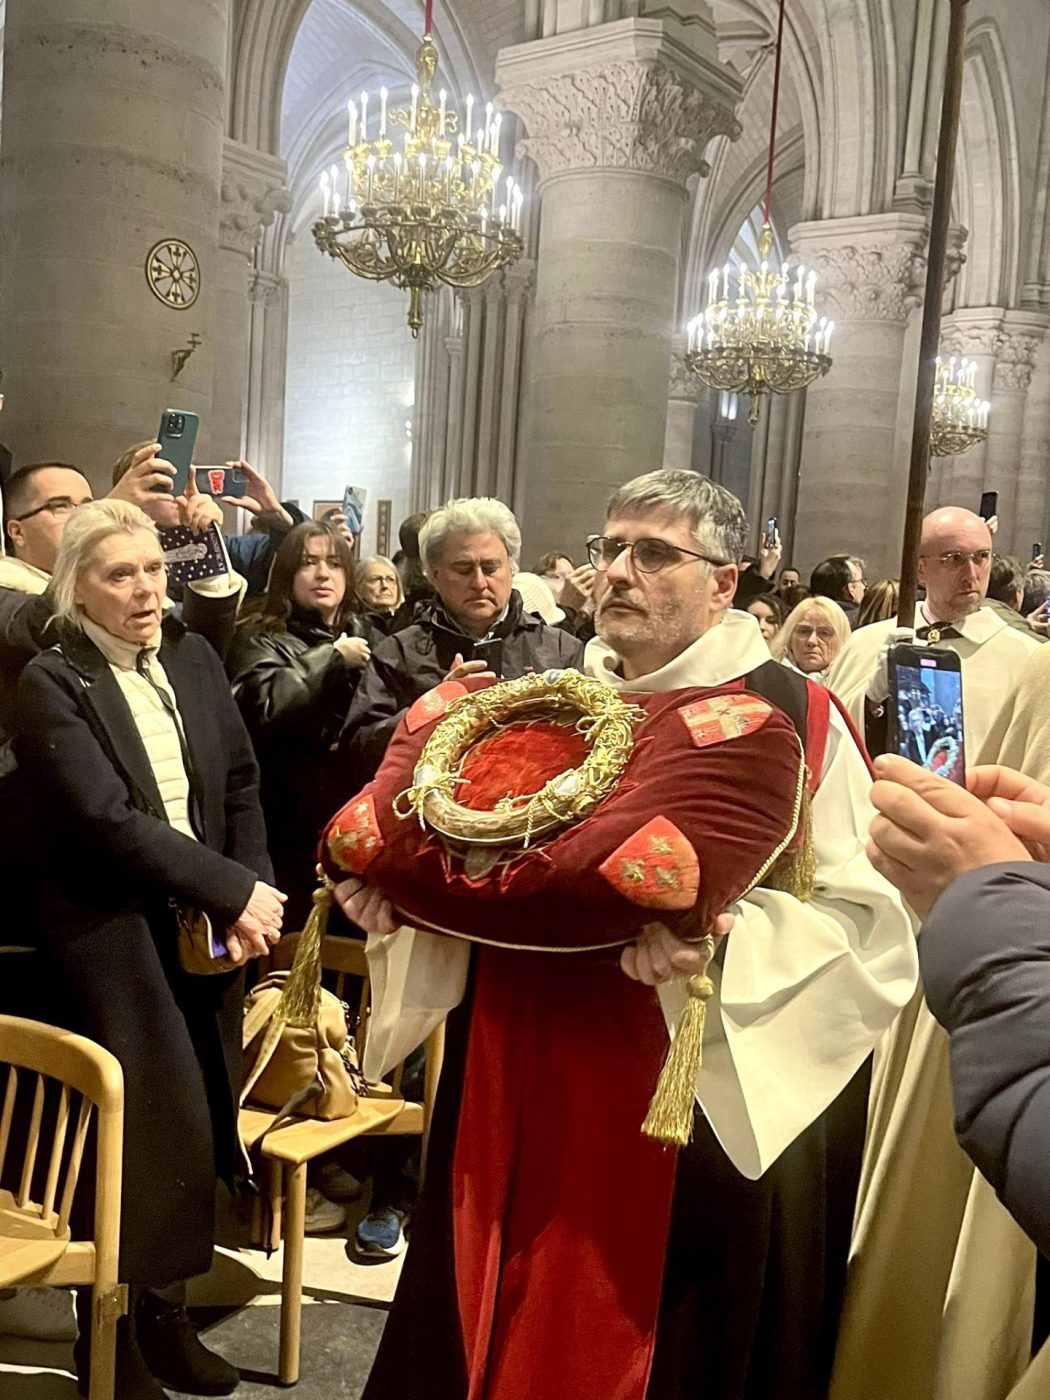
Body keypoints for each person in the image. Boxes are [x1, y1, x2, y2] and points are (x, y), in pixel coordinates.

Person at [338, 470, 916, 1400]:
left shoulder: (797, 715)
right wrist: (408, 912)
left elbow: (865, 919)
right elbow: (488, 873)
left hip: (684, 1083)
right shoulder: (549, 698)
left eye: (655, 554)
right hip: (516, 1061)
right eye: (611, 549)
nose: (617, 573)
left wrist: (721, 946)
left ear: (725, 583)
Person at [14, 500, 282, 1400]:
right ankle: (115, 1331)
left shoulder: (197, 659)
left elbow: (240, 783)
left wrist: (249, 895)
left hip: (200, 920)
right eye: (118, 574)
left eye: (154, 571)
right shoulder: (54, 678)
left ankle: (167, 1314)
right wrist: (230, 889)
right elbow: (103, 822)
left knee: (200, 1111)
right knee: (137, 1129)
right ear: (76, 588)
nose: (143, 591)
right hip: (109, 927)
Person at [341, 496, 583, 789]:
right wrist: (435, 707)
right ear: (435, 575)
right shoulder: (397, 652)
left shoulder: (560, 649)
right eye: (464, 569)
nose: (480, 582)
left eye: (491, 567)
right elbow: (356, 754)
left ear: (511, 569)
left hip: (536, 815)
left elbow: (585, 747)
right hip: (426, 819)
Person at [226, 521, 376, 930]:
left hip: (355, 824)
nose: (323, 574)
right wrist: (330, 658)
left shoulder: (370, 636)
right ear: (287, 574)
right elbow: (262, 707)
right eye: (308, 563)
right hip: (287, 825)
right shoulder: (260, 634)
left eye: (334, 563)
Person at [829, 508, 1042, 760]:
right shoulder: (866, 643)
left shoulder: (1027, 657)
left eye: (981, 557)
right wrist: (871, 700)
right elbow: (828, 742)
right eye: (954, 559)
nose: (971, 574)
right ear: (920, 569)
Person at [111, 443, 304, 598]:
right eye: (163, 484)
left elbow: (297, 558)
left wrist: (277, 517)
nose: (181, 492)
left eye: (184, 480)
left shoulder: (224, 547)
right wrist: (110, 507)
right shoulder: (111, 553)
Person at [770, 595, 850, 684]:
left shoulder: (853, 685)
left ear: (842, 640)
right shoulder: (767, 679)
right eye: (803, 631)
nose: (812, 641)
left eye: (824, 633)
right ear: (789, 639)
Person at [810, 555, 865, 627]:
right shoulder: (863, 623)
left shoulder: (800, 616)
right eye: (861, 581)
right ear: (849, 589)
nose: (864, 586)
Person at [356, 554, 405, 635]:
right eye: (375, 579)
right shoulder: (352, 625)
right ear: (358, 586)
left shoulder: (409, 622)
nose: (385, 586)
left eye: (390, 579)